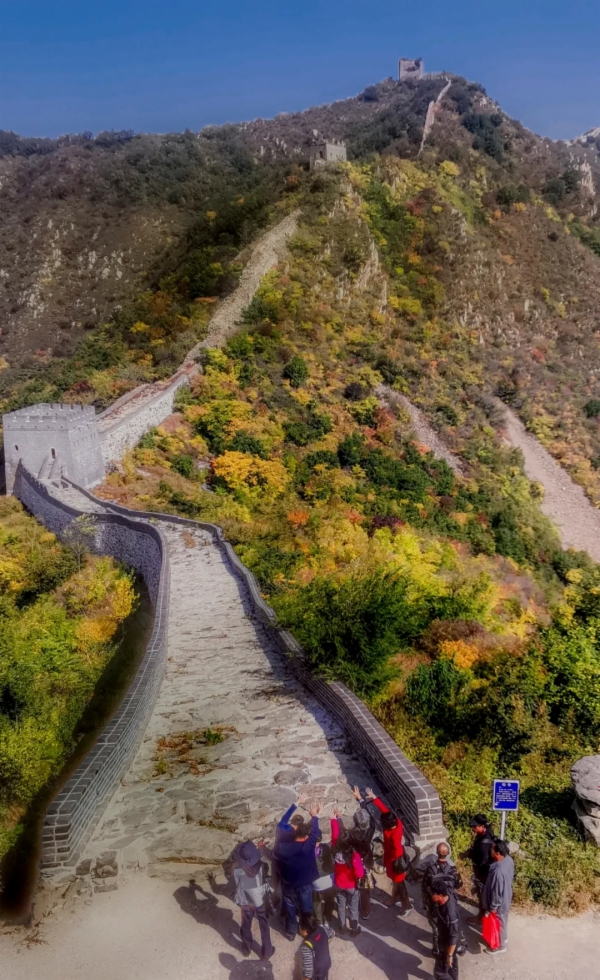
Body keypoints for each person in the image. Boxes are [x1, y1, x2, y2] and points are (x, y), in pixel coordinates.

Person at [275, 802, 322, 941]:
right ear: (306, 835)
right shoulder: (309, 846)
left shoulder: (283, 847)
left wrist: (295, 804)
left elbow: (281, 824)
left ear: (294, 831)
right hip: (305, 885)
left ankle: (290, 933)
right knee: (306, 909)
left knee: (290, 910)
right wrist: (315, 815)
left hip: (288, 885)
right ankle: (306, 929)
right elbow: (315, 832)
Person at [364, 787, 412, 916]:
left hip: (396, 863)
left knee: (400, 884)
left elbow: (396, 851)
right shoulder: (397, 822)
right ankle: (394, 897)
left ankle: (406, 906)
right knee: (396, 882)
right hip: (392, 861)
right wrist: (374, 798)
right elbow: (386, 811)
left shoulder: (394, 835)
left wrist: (393, 860)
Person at [231, 840, 274, 961]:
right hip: (258, 898)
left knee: (245, 924)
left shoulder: (236, 868)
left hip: (244, 899)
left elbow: (237, 881)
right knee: (264, 925)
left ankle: (246, 949)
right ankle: (266, 952)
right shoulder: (261, 865)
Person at [422, 842, 463, 957]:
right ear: (448, 853)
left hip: (435, 905)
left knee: (436, 928)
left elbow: (425, 887)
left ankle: (437, 950)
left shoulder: (430, 870)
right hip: (449, 904)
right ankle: (452, 947)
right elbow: (459, 884)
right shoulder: (453, 870)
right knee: (451, 925)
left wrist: (427, 902)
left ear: (436, 853)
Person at [331, 808, 365, 937]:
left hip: (339, 884)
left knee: (341, 905)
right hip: (351, 886)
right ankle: (354, 929)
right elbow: (360, 874)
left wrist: (335, 820)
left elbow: (334, 836)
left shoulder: (335, 850)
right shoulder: (354, 856)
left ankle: (342, 927)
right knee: (353, 907)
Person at [482, 838, 514, 955]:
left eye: (492, 849)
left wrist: (493, 907)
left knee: (498, 921)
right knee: (503, 918)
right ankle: (504, 937)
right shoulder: (509, 860)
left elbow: (496, 892)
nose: (490, 850)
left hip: (499, 902)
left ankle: (500, 945)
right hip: (507, 896)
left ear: (498, 853)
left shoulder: (498, 871)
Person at [351, 785, 377, 919]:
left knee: (360, 889)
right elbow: (370, 818)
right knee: (365, 888)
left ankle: (361, 909)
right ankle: (365, 910)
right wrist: (360, 799)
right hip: (366, 861)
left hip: (355, 862)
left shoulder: (353, 835)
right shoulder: (371, 829)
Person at [465, 814, 494, 922]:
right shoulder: (488, 831)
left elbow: (482, 862)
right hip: (486, 873)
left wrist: (478, 879)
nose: (473, 828)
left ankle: (481, 918)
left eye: (475, 826)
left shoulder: (483, 844)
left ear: (482, 826)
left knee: (482, 896)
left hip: (483, 874)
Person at [430, 881, 460, 980]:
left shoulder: (450, 914)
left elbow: (454, 936)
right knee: (452, 966)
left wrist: (449, 955)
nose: (432, 895)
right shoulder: (447, 898)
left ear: (440, 896)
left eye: (434, 894)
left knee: (440, 972)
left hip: (448, 943)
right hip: (447, 938)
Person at [312, 832, 336, 930]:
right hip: (329, 879)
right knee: (329, 900)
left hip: (316, 881)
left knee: (316, 901)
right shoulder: (326, 847)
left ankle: (319, 921)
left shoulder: (308, 850)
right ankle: (328, 919)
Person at [299, 912, 332, 980]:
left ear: (305, 931)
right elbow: (331, 932)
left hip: (317, 972)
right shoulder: (322, 929)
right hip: (327, 964)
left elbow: (308, 972)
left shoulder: (306, 946)